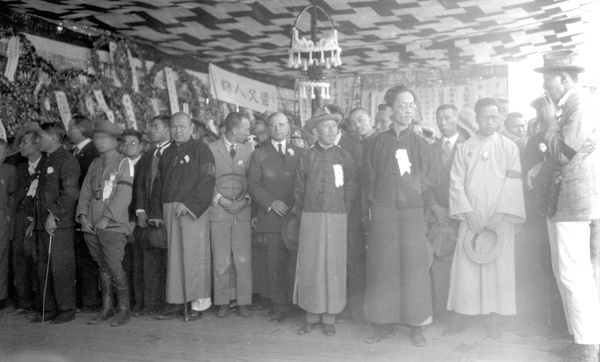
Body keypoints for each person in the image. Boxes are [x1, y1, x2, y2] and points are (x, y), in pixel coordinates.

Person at [535, 50, 600, 361]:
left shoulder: (580, 104)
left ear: (561, 78)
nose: (545, 86)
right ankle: (580, 339)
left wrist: (549, 122)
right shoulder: (572, 105)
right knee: (565, 272)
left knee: (574, 273)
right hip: (566, 199)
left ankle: (587, 345)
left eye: (547, 79)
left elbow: (562, 154)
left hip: (574, 200)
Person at [363, 85, 437, 346]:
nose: (408, 110)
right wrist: (372, 210)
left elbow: (429, 181)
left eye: (411, 105)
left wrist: (417, 206)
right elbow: (368, 181)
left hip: (412, 212)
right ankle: (383, 323)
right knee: (383, 267)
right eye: (403, 105)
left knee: (414, 268)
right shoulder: (376, 143)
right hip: (383, 210)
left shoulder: (420, 144)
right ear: (390, 109)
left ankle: (416, 325)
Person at [445, 98, 526, 339]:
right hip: (471, 216)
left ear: (501, 117)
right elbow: (456, 182)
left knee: (497, 268)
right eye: (484, 117)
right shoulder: (465, 148)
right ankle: (463, 314)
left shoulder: (509, 147)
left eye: (494, 116)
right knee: (467, 268)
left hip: (499, 217)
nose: (489, 121)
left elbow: (513, 183)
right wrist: (468, 213)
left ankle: (493, 318)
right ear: (476, 119)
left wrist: (501, 213)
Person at [294, 106, 357, 337]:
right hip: (311, 217)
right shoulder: (307, 156)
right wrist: (305, 214)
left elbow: (351, 187)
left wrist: (342, 210)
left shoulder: (344, 156)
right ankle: (311, 316)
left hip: (338, 216)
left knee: (334, 266)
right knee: (312, 266)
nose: (331, 130)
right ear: (316, 131)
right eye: (325, 126)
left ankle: (330, 317)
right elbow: (299, 190)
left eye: (334, 126)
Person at [149, 112, 215, 321]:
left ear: (191, 128)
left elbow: (207, 180)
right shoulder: (167, 153)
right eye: (174, 127)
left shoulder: (201, 149)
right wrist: (157, 213)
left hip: (192, 210)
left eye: (182, 126)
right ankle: (178, 302)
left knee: (194, 256)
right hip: (170, 210)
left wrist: (189, 204)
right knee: (175, 258)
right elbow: (158, 184)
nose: (178, 130)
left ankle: (197, 304)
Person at [247, 112, 304, 322]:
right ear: (268, 129)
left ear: (289, 127)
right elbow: (252, 184)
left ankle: (296, 304)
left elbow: (305, 181)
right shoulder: (259, 154)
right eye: (273, 125)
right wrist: (271, 203)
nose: (277, 128)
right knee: (275, 264)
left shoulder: (300, 152)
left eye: (281, 124)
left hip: (295, 216)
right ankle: (279, 307)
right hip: (271, 217)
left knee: (294, 263)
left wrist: (299, 204)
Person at [76, 120, 133, 327]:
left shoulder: (123, 163)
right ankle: (107, 308)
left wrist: (106, 218)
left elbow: (124, 195)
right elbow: (85, 192)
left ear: (115, 141)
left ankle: (124, 310)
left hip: (113, 226)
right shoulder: (95, 163)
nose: (98, 142)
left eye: (103, 138)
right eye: (96, 138)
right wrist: (83, 217)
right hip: (92, 225)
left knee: (115, 266)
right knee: (102, 267)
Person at [32, 123, 80, 324]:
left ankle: (66, 309)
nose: (37, 140)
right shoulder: (48, 159)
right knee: (45, 266)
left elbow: (69, 193)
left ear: (53, 137)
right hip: (43, 222)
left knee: (61, 266)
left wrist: (54, 215)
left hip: (58, 223)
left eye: (41, 136)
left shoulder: (66, 160)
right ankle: (50, 307)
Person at [208, 112, 253, 318]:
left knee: (243, 260)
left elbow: (254, 181)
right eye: (246, 129)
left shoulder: (249, 150)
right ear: (235, 130)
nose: (248, 132)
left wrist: (245, 201)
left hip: (242, 212)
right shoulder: (210, 149)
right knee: (221, 259)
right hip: (219, 211)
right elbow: (205, 180)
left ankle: (244, 302)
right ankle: (223, 301)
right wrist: (220, 199)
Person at [428, 104, 466, 314]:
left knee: (462, 264)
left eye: (448, 118)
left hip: (461, 214)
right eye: (439, 118)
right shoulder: (430, 148)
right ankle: (442, 311)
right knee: (440, 261)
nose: (443, 123)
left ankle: (460, 313)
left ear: (457, 119)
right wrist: (434, 206)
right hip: (436, 214)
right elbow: (423, 181)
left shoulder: (468, 146)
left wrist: (455, 210)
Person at [133, 115, 171, 316]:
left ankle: (166, 304)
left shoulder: (174, 152)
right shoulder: (148, 155)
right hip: (147, 218)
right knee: (149, 262)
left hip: (166, 217)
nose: (151, 130)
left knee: (166, 262)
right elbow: (140, 184)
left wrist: (159, 213)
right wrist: (140, 210)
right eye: (151, 126)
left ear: (168, 129)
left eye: (156, 126)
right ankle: (150, 305)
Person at [68, 115, 101, 313]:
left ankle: (90, 301)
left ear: (81, 129)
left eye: (71, 127)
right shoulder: (76, 151)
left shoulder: (91, 153)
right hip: (77, 213)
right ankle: (84, 299)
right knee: (80, 256)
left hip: (87, 213)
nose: (68, 131)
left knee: (87, 257)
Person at [12, 124, 45, 313]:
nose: (20, 146)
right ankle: (24, 303)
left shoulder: (47, 165)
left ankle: (41, 303)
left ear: (36, 146)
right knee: (19, 261)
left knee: (36, 260)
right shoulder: (20, 168)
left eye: (24, 143)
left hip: (37, 220)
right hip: (19, 219)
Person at [120, 129, 144, 314]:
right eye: (125, 143)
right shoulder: (120, 164)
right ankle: (126, 303)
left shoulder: (144, 164)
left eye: (133, 143)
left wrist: (134, 220)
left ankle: (139, 303)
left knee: (138, 264)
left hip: (137, 221)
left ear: (141, 146)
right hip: (119, 220)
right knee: (123, 264)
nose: (128, 146)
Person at [0, 139, 16, 311]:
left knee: (2, 257)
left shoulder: (9, 170)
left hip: (1, 217)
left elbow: (13, 195)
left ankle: (1, 295)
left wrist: (9, 215)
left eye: (3, 152)